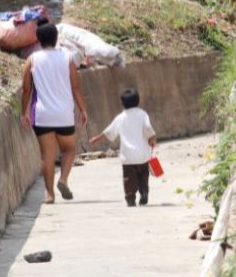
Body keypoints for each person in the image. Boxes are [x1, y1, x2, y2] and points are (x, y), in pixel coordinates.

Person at [21, 23, 88, 204]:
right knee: (70, 149)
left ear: (39, 40)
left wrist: (24, 112)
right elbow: (75, 87)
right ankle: (63, 179)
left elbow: (26, 89)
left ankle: (49, 195)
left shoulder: (32, 59)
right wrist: (83, 109)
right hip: (64, 114)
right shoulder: (67, 59)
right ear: (56, 38)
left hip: (42, 115)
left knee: (47, 155)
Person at [90, 88, 156, 207]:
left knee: (129, 179)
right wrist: (152, 139)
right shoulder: (142, 114)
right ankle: (144, 192)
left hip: (128, 157)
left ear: (122, 103)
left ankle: (130, 198)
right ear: (138, 101)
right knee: (143, 176)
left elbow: (109, 131)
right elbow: (148, 128)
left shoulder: (120, 117)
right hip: (143, 155)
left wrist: (96, 139)